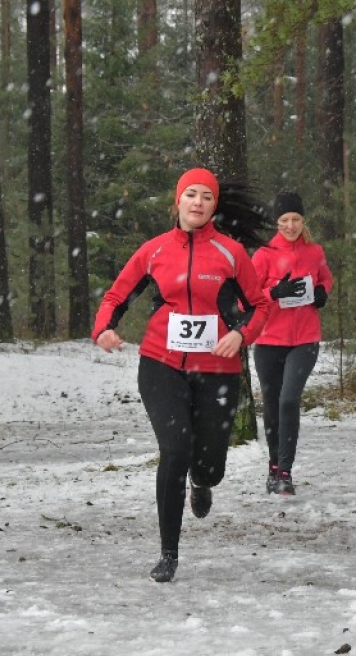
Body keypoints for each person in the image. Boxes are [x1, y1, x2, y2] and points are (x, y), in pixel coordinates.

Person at [92, 168, 272, 583]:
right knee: (174, 449)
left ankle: (202, 480)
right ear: (178, 202)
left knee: (210, 465)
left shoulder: (230, 254)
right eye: (190, 195)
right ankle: (168, 554)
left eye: (206, 197)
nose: (197, 202)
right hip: (162, 364)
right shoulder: (154, 251)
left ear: (214, 206)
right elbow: (117, 295)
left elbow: (260, 306)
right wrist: (103, 328)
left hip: (217, 369)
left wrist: (242, 334)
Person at [251, 191, 333, 496]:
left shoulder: (314, 252)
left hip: (305, 339)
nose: (290, 226)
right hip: (269, 340)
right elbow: (248, 295)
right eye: (284, 220)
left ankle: (285, 470)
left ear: (303, 220)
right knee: (272, 406)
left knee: (288, 400)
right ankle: (273, 467)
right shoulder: (264, 254)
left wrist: (323, 292)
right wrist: (275, 291)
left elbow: (326, 279)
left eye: (295, 219)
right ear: (277, 222)